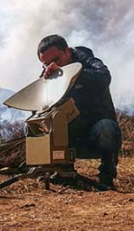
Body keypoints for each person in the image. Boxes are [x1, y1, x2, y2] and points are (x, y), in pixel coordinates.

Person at [37, 34, 122, 188]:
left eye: (56, 60)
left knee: (106, 127)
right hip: (71, 136)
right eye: (46, 64)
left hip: (96, 135)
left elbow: (104, 77)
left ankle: (107, 178)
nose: (52, 66)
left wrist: (71, 74)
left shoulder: (87, 61)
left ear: (68, 52)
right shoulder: (50, 74)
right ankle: (63, 173)